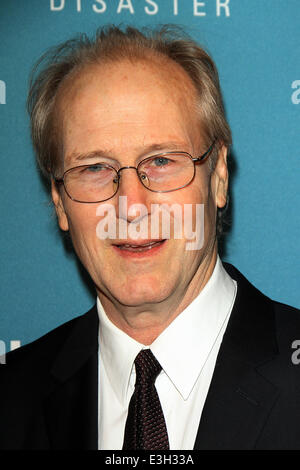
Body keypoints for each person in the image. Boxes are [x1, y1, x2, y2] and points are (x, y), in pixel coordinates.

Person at [0, 25, 299, 451]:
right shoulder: (11, 397)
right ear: (60, 202)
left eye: (160, 160)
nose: (131, 206)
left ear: (217, 177)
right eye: (95, 168)